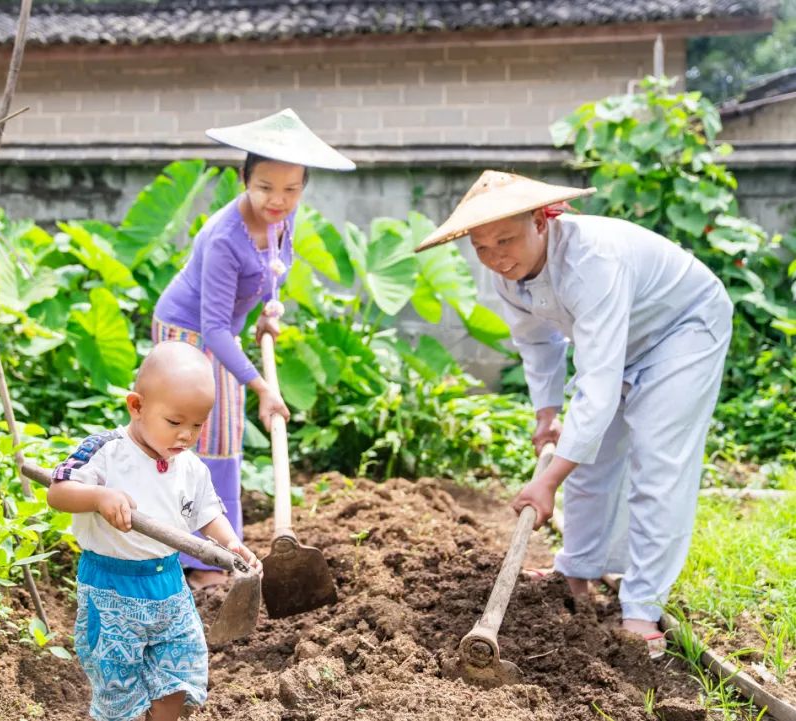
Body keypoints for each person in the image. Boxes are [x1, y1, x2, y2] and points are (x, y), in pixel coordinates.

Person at [415, 171, 732, 658]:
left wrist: (547, 483)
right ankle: (577, 571)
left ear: (543, 221)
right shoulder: (506, 275)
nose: (496, 255)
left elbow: (598, 390)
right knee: (591, 458)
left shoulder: (591, 261)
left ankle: (641, 609)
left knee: (657, 461)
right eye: (482, 247)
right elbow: (537, 343)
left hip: (681, 330)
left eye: (506, 239)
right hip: (620, 341)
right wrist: (547, 416)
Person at [152, 108, 355, 589]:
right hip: (189, 334)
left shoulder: (284, 218)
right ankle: (200, 564)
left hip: (221, 332)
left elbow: (273, 266)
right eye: (265, 188)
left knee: (222, 444)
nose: (278, 200)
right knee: (204, 443)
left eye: (291, 190)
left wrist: (268, 309)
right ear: (244, 179)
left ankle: (220, 552)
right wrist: (263, 387)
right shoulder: (225, 237)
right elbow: (214, 327)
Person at [46, 342, 262, 721]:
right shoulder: (105, 452)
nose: (185, 435)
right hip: (111, 588)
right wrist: (98, 496)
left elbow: (208, 512)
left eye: (197, 425)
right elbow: (58, 492)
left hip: (169, 588)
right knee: (118, 688)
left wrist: (232, 544)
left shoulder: (190, 466)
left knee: (178, 678)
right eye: (175, 422)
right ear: (137, 406)